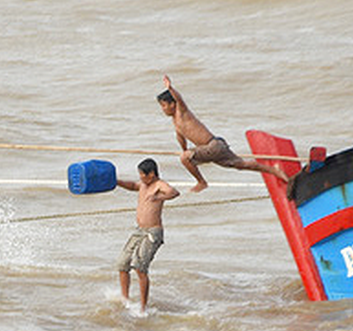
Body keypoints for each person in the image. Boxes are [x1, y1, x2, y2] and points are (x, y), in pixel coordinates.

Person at [157, 75, 287, 192]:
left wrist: (171, 88)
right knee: (241, 165)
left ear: (172, 104)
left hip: (213, 146)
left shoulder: (182, 112)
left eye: (164, 105)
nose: (163, 109)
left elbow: (179, 100)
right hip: (214, 148)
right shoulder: (175, 121)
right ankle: (274, 170)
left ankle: (202, 182)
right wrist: (185, 149)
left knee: (184, 158)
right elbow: (181, 138)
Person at [115, 158, 180, 316]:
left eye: (143, 175)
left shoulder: (159, 185)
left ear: (151, 174)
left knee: (140, 267)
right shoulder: (143, 184)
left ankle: (143, 308)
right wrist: (116, 181)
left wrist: (159, 198)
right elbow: (132, 186)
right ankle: (125, 300)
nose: (141, 178)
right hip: (139, 231)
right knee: (122, 264)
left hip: (153, 232)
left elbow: (174, 192)